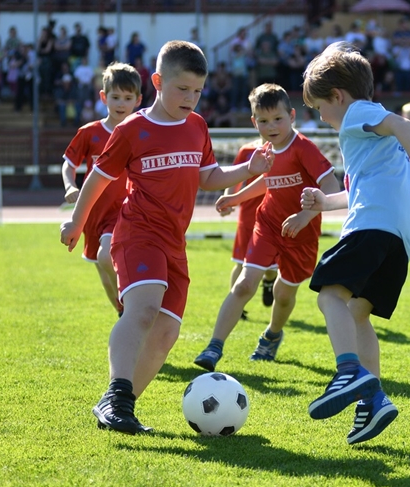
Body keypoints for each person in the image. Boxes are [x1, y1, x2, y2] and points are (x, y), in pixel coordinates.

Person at [59, 40, 274, 435]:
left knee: (166, 332)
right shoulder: (133, 129)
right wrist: (76, 222)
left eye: (197, 91)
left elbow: (206, 176)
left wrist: (249, 168)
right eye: (182, 89)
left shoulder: (197, 126)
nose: (191, 98)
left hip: (176, 242)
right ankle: (118, 397)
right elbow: (97, 178)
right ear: (158, 81)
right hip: (137, 232)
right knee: (142, 311)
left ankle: (118, 407)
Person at [300, 42, 410, 445]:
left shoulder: (358, 113)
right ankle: (373, 400)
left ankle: (348, 371)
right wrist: (323, 203)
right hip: (397, 239)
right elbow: (358, 190)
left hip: (373, 227)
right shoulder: (367, 134)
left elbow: (405, 125)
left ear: (338, 97)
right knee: (357, 313)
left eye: (320, 107)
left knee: (328, 295)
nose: (322, 117)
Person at [193, 83, 340, 372]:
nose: (271, 126)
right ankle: (214, 347)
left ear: (292, 116)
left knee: (284, 296)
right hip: (268, 225)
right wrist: (235, 196)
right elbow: (268, 180)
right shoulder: (266, 150)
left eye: (277, 119)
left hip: (301, 234)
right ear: (253, 121)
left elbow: (331, 187)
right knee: (245, 283)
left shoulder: (304, 149)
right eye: (263, 121)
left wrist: (304, 216)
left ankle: (272, 334)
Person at [61, 62, 143, 315]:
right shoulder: (89, 133)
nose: (121, 103)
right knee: (101, 267)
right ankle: (122, 312)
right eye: (116, 97)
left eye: (127, 98)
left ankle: (132, 303)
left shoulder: (142, 132)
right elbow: (68, 164)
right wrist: (69, 186)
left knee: (108, 256)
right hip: (93, 212)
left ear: (138, 100)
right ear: (103, 97)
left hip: (124, 211)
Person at [216, 139, 279, 322]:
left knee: (272, 267)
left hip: (275, 215)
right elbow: (236, 176)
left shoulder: (287, 148)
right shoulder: (247, 150)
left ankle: (269, 283)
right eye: (263, 120)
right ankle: (236, 306)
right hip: (249, 215)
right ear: (255, 121)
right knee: (240, 261)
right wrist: (228, 199)